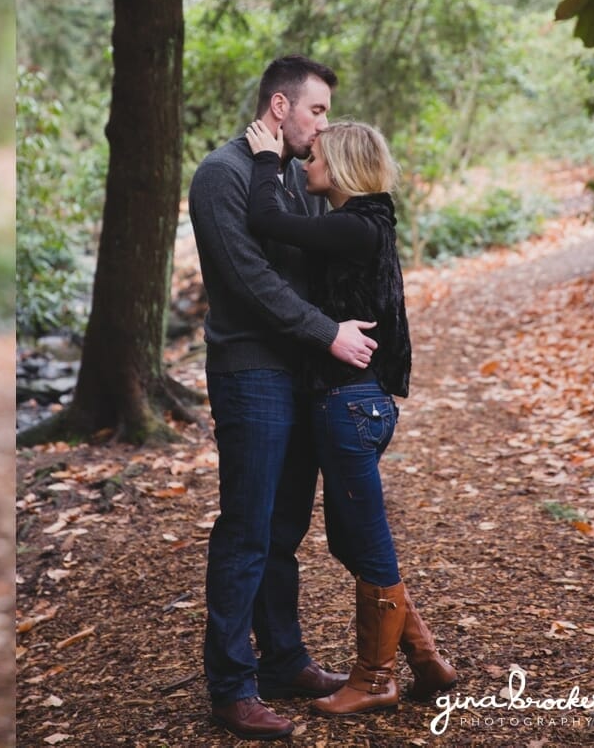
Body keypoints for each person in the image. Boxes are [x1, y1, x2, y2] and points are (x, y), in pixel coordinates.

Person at [187, 55, 379, 741]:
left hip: (301, 372)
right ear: (279, 106)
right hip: (250, 372)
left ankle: (284, 662)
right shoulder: (220, 176)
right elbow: (245, 280)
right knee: (245, 529)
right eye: (318, 110)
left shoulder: (294, 175)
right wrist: (326, 333)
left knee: (284, 531)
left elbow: (312, 262)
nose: (323, 125)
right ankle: (231, 687)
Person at [244, 118, 456, 715]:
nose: (303, 163)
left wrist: (264, 159)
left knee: (368, 543)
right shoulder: (364, 223)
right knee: (352, 541)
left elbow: (265, 221)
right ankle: (426, 658)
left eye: (312, 158)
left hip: (349, 405)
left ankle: (375, 678)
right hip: (351, 403)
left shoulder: (355, 227)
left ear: (336, 168)